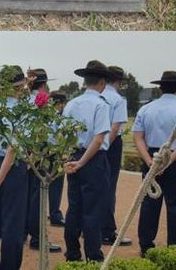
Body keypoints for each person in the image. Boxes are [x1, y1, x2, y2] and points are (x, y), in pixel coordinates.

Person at [133, 70, 176, 256]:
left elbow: (138, 137)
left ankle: (146, 247)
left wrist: (150, 161)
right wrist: (169, 161)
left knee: (149, 205)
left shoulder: (146, 109)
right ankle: (175, 249)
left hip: (152, 157)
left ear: (160, 87)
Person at [62, 60, 113, 263]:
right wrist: (83, 162)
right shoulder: (101, 104)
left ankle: (72, 254)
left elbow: (63, 135)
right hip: (92, 159)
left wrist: (70, 159)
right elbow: (99, 138)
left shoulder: (72, 103)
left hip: (74, 155)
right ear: (101, 82)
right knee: (93, 210)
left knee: (74, 207)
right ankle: (93, 256)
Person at [0, 67, 30, 270]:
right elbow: (14, 147)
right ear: (21, 86)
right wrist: (0, 180)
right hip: (13, 168)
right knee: (13, 224)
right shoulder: (22, 110)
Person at [25, 68, 62, 253]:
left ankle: (25, 233)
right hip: (41, 151)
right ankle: (38, 238)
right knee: (38, 196)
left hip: (23, 150)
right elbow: (51, 131)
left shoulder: (23, 100)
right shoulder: (44, 102)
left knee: (26, 195)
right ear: (44, 84)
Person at [100, 65, 131, 247]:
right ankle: (106, 231)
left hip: (90, 144)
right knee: (108, 188)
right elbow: (115, 128)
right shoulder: (118, 99)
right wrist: (104, 147)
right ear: (118, 81)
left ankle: (89, 227)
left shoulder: (97, 96)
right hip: (109, 145)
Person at [47, 91, 68, 228]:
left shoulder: (45, 116)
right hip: (55, 152)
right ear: (60, 104)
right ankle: (55, 214)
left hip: (43, 152)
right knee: (56, 186)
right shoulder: (59, 118)